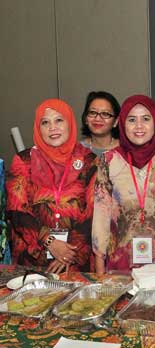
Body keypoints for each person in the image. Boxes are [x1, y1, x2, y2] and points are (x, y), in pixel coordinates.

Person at [92, 95, 155, 277]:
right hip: (122, 260)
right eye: (132, 120)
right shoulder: (108, 160)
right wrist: (99, 261)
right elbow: (101, 215)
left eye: (146, 119)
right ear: (122, 124)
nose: (139, 126)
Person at [6, 99, 96, 273]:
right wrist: (49, 241)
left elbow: (93, 212)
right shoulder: (23, 161)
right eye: (45, 122)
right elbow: (17, 210)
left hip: (75, 259)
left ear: (70, 123)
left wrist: (67, 253)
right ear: (38, 128)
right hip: (32, 259)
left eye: (59, 120)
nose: (52, 127)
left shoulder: (88, 161)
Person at [80, 91, 120, 157]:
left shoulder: (125, 150)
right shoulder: (77, 150)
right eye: (93, 112)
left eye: (105, 114)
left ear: (115, 121)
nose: (97, 119)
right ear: (86, 118)